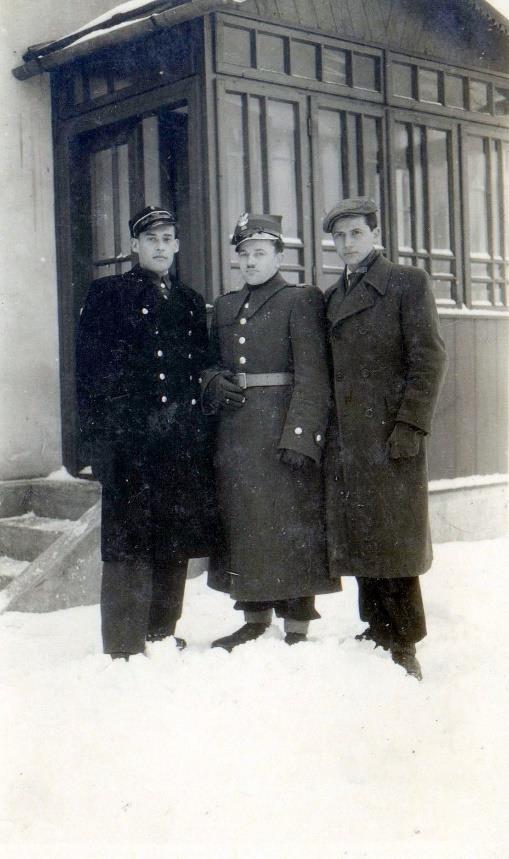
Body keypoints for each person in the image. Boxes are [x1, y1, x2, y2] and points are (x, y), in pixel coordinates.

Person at [76, 205, 217, 660]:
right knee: (127, 539)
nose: (160, 246)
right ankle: (123, 643)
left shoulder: (190, 302)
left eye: (167, 238)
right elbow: (90, 377)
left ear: (176, 245)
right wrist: (99, 444)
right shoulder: (107, 294)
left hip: (177, 440)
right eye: (151, 239)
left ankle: (160, 630)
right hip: (128, 442)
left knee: (172, 536)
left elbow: (197, 369)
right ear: (135, 245)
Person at [202, 213, 340, 651]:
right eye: (243, 254)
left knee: (292, 522)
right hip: (236, 433)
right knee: (245, 523)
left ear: (279, 255)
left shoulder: (300, 300)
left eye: (259, 253)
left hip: (282, 429)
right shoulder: (224, 306)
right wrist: (210, 382)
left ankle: (297, 624)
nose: (250, 262)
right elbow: (207, 362)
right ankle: (254, 617)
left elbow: (314, 375)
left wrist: (301, 435)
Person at [323, 197, 447, 680]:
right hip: (350, 440)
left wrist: (410, 426)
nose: (347, 243)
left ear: (375, 234)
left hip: (392, 434)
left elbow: (429, 360)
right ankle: (375, 627)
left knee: (395, 536)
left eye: (356, 233)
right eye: (339, 236)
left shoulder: (406, 284)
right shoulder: (334, 296)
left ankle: (405, 641)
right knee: (365, 532)